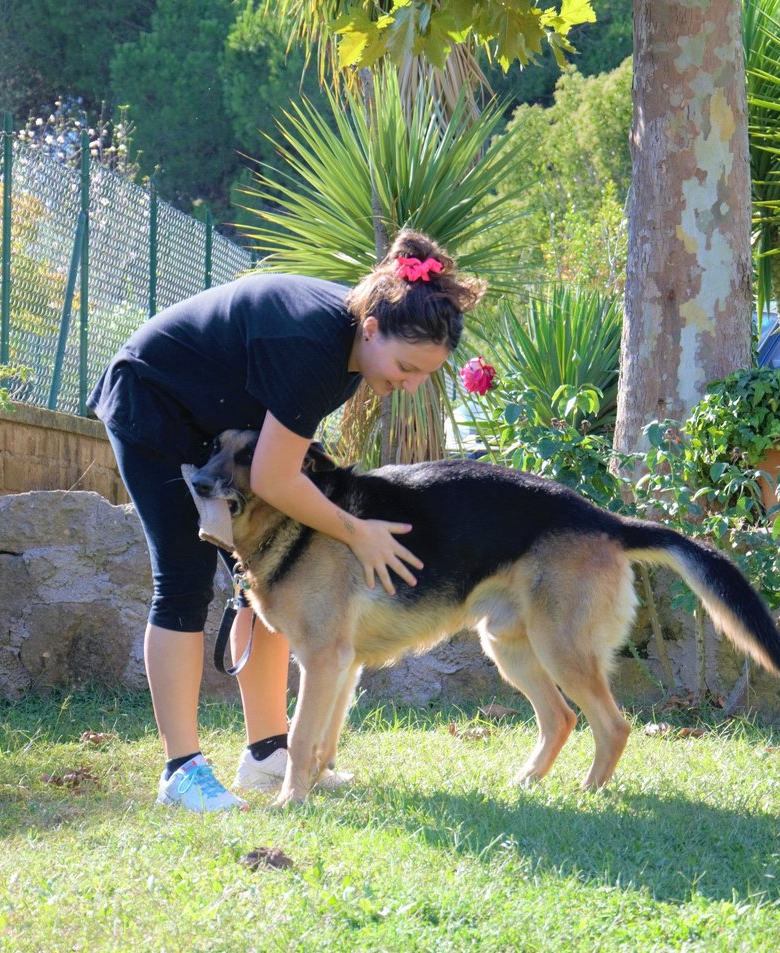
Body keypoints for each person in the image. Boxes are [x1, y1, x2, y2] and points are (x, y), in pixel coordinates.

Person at [87, 229, 485, 812]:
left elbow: (281, 461)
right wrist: (357, 532)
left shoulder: (351, 349)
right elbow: (276, 480)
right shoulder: (317, 348)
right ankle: (181, 771)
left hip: (221, 426)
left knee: (266, 582)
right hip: (156, 407)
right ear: (371, 330)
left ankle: (268, 753)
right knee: (183, 581)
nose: (409, 385)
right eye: (406, 367)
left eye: (424, 375)